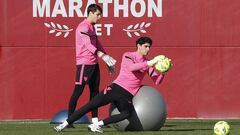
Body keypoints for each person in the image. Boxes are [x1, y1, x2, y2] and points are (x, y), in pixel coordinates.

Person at [54, 37, 166, 133]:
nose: (148, 49)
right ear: (139, 46)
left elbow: (157, 80)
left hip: (127, 95)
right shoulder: (128, 56)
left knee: (127, 113)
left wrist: (163, 72)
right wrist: (150, 63)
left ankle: (96, 125)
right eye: (146, 46)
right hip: (115, 89)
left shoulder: (148, 63)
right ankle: (63, 125)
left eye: (149, 47)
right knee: (90, 106)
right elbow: (132, 68)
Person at [67, 4, 116, 128]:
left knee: (95, 93)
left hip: (94, 63)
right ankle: (69, 121)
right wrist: (101, 55)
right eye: (97, 14)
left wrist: (107, 59)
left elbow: (97, 44)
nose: (100, 17)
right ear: (90, 13)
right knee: (77, 92)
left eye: (100, 15)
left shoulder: (92, 27)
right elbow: (88, 45)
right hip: (84, 64)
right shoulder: (82, 27)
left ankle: (95, 121)